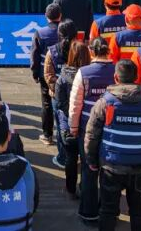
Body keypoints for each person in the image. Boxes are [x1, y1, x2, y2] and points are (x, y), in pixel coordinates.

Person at [84, 59, 141, 231]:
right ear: (136, 77)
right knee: (138, 211)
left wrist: (91, 160)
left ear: (116, 77)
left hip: (111, 167)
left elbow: (92, 135)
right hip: (140, 167)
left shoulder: (105, 103)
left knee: (108, 210)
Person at [69, 37, 117, 223]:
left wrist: (73, 127)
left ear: (91, 51)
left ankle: (89, 214)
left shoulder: (83, 72)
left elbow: (75, 104)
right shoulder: (117, 70)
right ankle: (108, 212)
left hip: (87, 129)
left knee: (89, 170)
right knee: (109, 171)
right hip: (111, 128)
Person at [55, 39, 91, 197]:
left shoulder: (63, 76)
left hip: (68, 124)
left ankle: (70, 188)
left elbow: (59, 102)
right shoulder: (90, 75)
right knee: (86, 158)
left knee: (70, 157)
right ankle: (85, 187)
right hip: (86, 124)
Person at [31, 4, 62, 145]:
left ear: (46, 16)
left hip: (46, 74)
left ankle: (47, 135)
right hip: (65, 73)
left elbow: (35, 55)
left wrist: (35, 73)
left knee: (46, 103)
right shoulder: (67, 31)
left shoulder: (40, 33)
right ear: (60, 16)